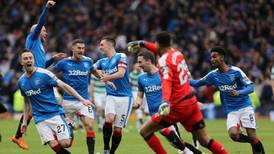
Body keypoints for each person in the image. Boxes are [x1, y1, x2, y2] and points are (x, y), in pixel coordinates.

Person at [127, 31, 228, 154]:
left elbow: (167, 81)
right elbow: (159, 49)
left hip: (177, 105)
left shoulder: (163, 61)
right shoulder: (178, 54)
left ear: (158, 44)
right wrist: (142, 43)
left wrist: (164, 101)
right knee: (205, 140)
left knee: (144, 131)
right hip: (190, 101)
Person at [11, 0, 67, 150]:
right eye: (43, 30)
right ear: (36, 31)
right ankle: (18, 136)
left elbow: (41, 66)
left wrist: (53, 59)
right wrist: (46, 9)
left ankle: (19, 136)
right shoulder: (33, 38)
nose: (45, 32)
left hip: (39, 76)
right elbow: (40, 23)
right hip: (33, 79)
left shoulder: (40, 46)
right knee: (56, 99)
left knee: (38, 106)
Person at [189, 47, 265, 154]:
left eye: (215, 56)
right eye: (211, 57)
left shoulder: (236, 71)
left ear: (222, 58)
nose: (212, 59)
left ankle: (254, 141)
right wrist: (180, 78)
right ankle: (254, 141)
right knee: (233, 134)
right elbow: (197, 83)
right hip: (231, 111)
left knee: (251, 134)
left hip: (245, 107)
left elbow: (250, 88)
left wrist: (239, 92)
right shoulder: (213, 75)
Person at [18, 49, 93, 154]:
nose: (28, 60)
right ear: (21, 62)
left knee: (66, 143)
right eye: (25, 58)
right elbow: (27, 103)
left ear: (33, 60)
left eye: (30, 58)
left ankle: (69, 124)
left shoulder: (44, 74)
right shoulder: (21, 82)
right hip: (39, 118)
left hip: (54, 114)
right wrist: (24, 122)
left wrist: (82, 99)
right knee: (53, 145)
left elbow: (64, 86)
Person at [52, 39, 115, 154]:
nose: (81, 51)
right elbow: (50, 74)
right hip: (68, 102)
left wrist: (106, 80)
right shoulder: (64, 63)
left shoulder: (88, 61)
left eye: (83, 48)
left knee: (89, 126)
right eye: (79, 48)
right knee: (66, 142)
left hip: (84, 101)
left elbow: (95, 72)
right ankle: (59, 137)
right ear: (72, 49)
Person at [134, 50, 202, 154]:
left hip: (167, 112)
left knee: (172, 137)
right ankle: (194, 152)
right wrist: (137, 103)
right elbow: (140, 95)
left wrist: (192, 100)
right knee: (177, 142)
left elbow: (180, 88)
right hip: (154, 115)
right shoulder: (141, 79)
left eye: (140, 62)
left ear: (148, 61)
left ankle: (190, 151)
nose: (139, 65)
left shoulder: (163, 75)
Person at [94, 36, 133, 154]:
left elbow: (121, 73)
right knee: (108, 120)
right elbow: (91, 69)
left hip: (125, 97)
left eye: (102, 44)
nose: (100, 47)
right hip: (111, 95)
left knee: (117, 130)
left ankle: (112, 152)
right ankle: (106, 148)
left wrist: (106, 78)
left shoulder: (121, 56)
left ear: (110, 45)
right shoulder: (102, 61)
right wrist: (101, 75)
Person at [130, 63, 149, 129]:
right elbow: (130, 83)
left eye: (138, 68)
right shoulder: (132, 74)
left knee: (143, 107)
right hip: (135, 91)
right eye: (136, 69)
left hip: (143, 91)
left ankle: (143, 119)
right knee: (137, 105)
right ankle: (140, 119)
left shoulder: (143, 74)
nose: (137, 70)